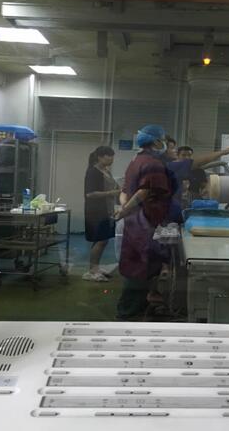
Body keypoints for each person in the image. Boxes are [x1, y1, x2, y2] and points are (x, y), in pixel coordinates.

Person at [115, 125, 179, 319]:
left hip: (134, 222)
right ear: (157, 142)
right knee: (141, 268)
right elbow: (144, 191)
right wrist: (126, 210)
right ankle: (128, 314)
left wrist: (125, 209)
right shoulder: (153, 164)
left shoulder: (135, 161)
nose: (168, 146)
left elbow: (124, 191)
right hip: (145, 223)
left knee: (135, 265)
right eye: (164, 141)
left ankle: (135, 309)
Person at [82, 146, 120, 282]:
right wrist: (112, 193)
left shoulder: (106, 171)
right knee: (101, 239)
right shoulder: (93, 172)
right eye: (108, 156)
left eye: (112, 156)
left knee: (103, 239)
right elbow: (90, 194)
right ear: (100, 157)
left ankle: (95, 267)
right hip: (96, 210)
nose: (111, 159)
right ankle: (92, 270)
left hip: (107, 209)